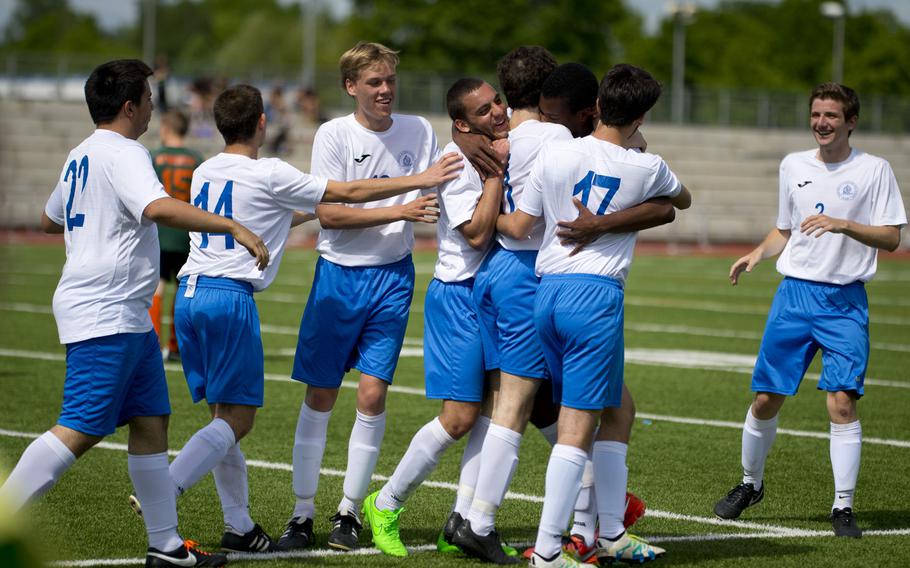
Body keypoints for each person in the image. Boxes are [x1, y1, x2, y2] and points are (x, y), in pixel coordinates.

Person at [136, 84, 460, 554]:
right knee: (238, 421)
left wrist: (307, 215)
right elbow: (346, 192)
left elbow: (269, 214)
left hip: (189, 295)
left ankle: (239, 524)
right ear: (263, 122)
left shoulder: (207, 169)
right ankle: (167, 488)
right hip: (229, 298)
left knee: (223, 419)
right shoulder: (270, 171)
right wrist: (414, 189)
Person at [0, 58, 271, 568]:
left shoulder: (81, 152)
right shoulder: (125, 151)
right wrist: (230, 225)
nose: (153, 106)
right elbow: (157, 207)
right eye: (148, 98)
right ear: (129, 107)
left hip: (123, 311)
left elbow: (47, 217)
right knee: (79, 427)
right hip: (107, 308)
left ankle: (166, 547)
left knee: (151, 421)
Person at [454, 51, 673, 565]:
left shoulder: (504, 137)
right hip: (541, 277)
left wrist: (468, 142)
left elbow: (472, 153)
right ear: (587, 108)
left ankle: (597, 524)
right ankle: (493, 525)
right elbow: (669, 195)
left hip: (512, 274)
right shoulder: (565, 141)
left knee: (597, 408)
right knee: (526, 408)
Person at [712, 82, 905, 538]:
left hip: (844, 302)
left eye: (832, 116)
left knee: (841, 403)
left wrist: (844, 224)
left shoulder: (876, 170)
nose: (822, 123)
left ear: (851, 122)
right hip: (794, 296)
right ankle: (749, 484)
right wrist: (758, 253)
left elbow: (892, 237)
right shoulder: (792, 165)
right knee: (765, 399)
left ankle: (842, 507)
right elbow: (785, 229)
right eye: (817, 114)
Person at [280, 41, 443, 552]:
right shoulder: (333, 134)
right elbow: (329, 214)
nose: (385, 90)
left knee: (373, 395)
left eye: (390, 80)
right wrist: (401, 209)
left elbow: (438, 191)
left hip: (393, 277)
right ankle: (301, 514)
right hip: (338, 277)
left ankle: (348, 512)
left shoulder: (419, 130)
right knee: (321, 394)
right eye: (374, 82)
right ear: (351, 87)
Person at [361, 77, 509, 558]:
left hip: (490, 294)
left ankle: (462, 522)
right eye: (484, 110)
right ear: (462, 123)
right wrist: (494, 179)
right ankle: (385, 502)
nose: (498, 112)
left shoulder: (491, 149)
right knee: (460, 417)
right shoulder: (457, 164)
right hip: (459, 296)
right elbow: (476, 235)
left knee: (492, 415)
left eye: (499, 102)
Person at [149, 109, 204, 361]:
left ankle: (151, 345)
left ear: (166, 128)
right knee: (183, 289)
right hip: (185, 233)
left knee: (156, 288)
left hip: (158, 232)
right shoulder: (196, 159)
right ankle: (176, 346)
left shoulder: (154, 156)